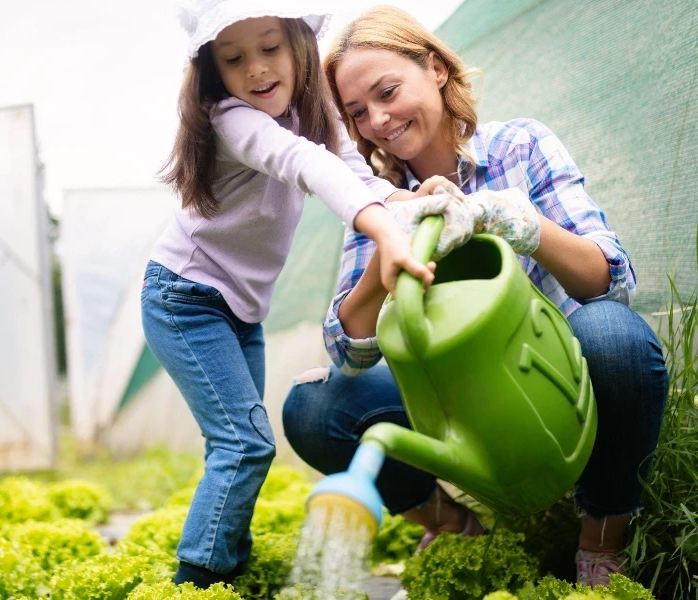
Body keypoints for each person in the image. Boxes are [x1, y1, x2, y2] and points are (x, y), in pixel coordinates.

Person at [282, 5, 668, 588]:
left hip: (544, 381)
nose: (378, 120)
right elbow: (351, 356)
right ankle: (456, 527)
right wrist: (389, 242)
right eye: (358, 113)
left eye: (387, 91)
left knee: (616, 337)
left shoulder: (521, 146)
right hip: (449, 402)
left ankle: (599, 544)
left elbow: (611, 281)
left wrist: (518, 222)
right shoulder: (377, 200)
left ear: (434, 68)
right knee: (314, 408)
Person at [141, 0, 437, 588]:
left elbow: (351, 168)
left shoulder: (311, 106)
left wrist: (411, 204)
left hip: (237, 310)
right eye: (234, 58)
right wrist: (381, 228)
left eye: (269, 48)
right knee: (244, 444)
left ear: (299, 44)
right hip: (184, 301)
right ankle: (197, 581)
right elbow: (303, 162)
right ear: (213, 70)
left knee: (237, 445)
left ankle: (230, 564)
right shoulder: (233, 120)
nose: (255, 70)